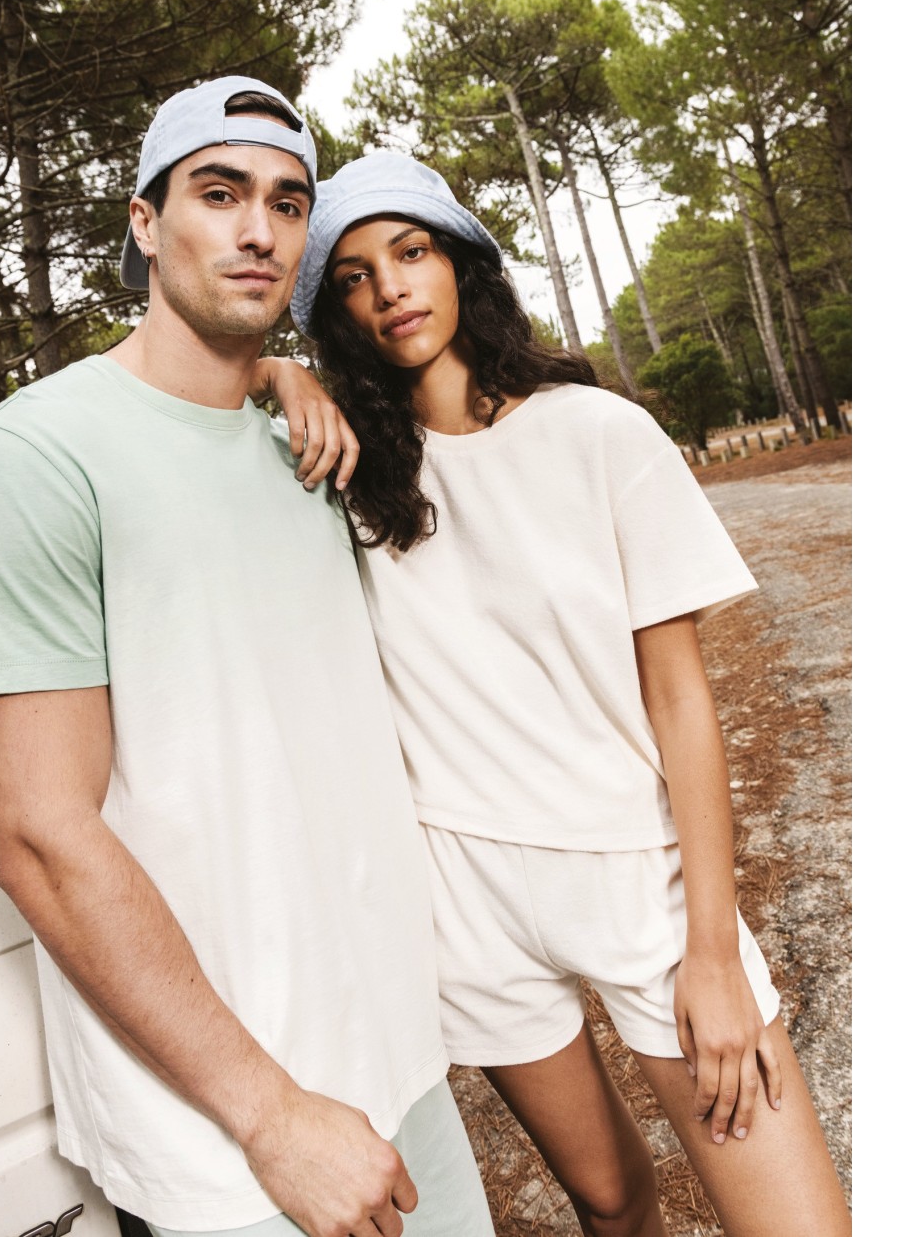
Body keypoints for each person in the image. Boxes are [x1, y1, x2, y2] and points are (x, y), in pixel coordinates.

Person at [0, 84, 497, 1237]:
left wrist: (287, 375)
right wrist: (270, 1115)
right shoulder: (30, 461)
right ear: (144, 223)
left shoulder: (306, 446)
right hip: (233, 1146)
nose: (257, 231)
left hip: (398, 1072)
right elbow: (40, 839)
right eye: (219, 192)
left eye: (286, 204)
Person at [272, 150, 852, 1237]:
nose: (388, 288)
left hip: (637, 876)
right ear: (334, 315)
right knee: (608, 1201)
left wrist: (713, 951)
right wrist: (276, 373)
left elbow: (680, 701)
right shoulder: (346, 472)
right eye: (350, 278)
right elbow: (172, 385)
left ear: (460, 262)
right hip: (464, 890)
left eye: (410, 252)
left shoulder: (598, 433)